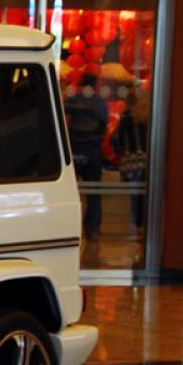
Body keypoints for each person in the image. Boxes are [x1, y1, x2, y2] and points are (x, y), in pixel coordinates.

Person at [63, 75, 109, 241]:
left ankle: (68, 228)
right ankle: (92, 229)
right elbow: (105, 121)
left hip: (73, 150)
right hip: (92, 151)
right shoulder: (98, 102)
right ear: (96, 84)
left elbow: (61, 118)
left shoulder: (71, 100)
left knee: (68, 193)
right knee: (93, 192)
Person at [111, 86, 150, 233]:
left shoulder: (126, 117)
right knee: (146, 195)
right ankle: (144, 225)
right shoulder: (149, 116)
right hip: (147, 160)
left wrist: (121, 151)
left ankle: (137, 226)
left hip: (132, 162)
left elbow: (117, 139)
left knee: (135, 196)